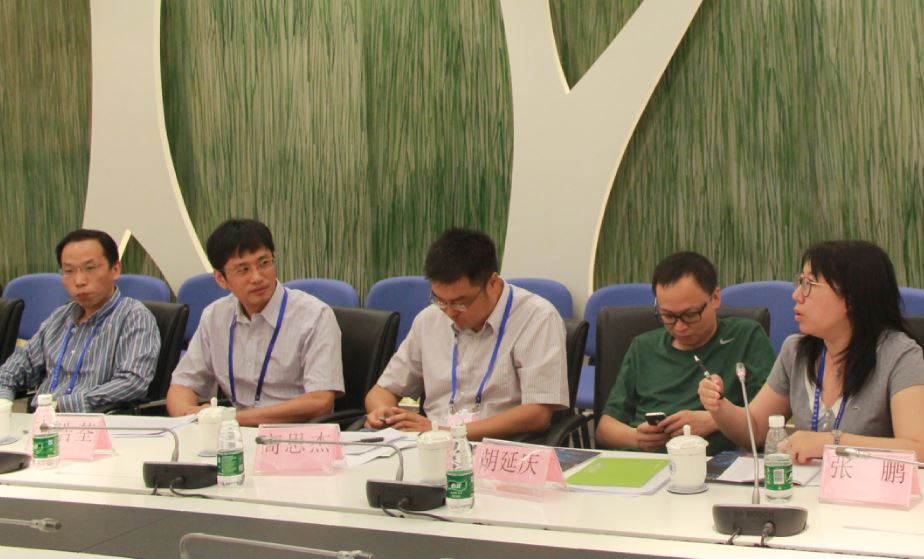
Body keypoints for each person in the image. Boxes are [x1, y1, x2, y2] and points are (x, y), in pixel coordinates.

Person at [699, 240, 924, 464]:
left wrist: (832, 443)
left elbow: (921, 450)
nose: (796, 295)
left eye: (809, 285)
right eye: (799, 282)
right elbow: (757, 429)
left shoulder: (899, 354)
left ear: (851, 299)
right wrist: (720, 407)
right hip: (823, 490)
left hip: (898, 492)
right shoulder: (796, 351)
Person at [364, 228, 568, 440]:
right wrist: (383, 413)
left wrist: (447, 433)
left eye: (460, 303)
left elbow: (537, 414)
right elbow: (382, 391)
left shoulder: (537, 318)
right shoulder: (429, 319)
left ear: (492, 283)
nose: (449, 312)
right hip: (432, 442)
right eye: (440, 300)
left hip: (498, 445)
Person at [166, 219, 343, 425]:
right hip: (234, 433)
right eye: (243, 269)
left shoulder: (315, 316)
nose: (257, 277)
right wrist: (188, 415)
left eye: (264, 263)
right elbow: (182, 385)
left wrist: (232, 419)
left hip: (295, 434)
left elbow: (320, 401)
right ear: (221, 279)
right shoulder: (215, 316)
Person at [596, 252, 775, 455]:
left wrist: (715, 419)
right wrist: (637, 437)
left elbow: (768, 419)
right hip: (645, 461)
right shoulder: (642, 347)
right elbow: (604, 429)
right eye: (667, 316)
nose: (680, 327)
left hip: (712, 463)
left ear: (715, 298)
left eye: (690, 315)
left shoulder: (745, 337)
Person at [0, 229, 159, 412]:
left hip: (96, 422)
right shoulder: (60, 317)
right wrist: (3, 405)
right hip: (42, 421)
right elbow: (10, 372)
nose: (79, 280)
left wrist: (60, 406)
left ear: (115, 269)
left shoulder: (134, 317)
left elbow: (132, 383)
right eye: (68, 271)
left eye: (90, 268)